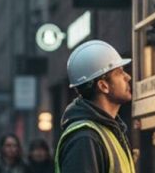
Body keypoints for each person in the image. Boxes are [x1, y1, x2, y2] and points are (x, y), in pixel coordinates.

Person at [55, 39, 136, 173]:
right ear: (103, 86)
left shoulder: (109, 131)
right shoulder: (85, 139)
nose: (127, 77)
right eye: (119, 72)